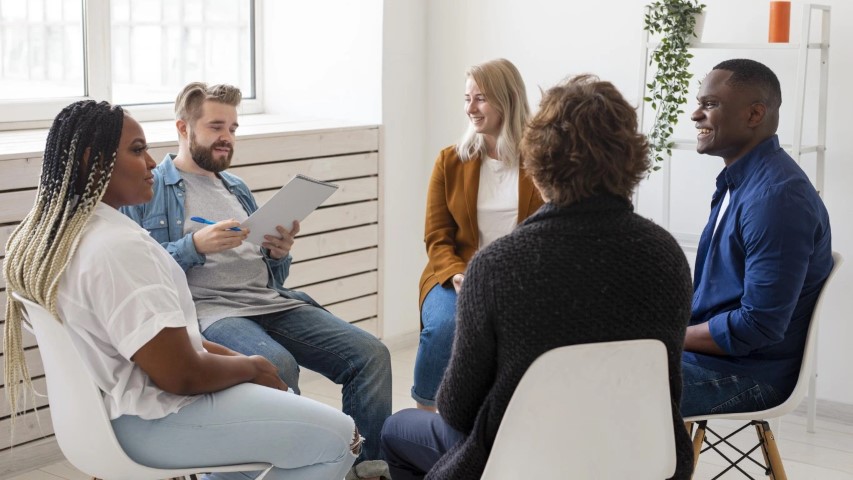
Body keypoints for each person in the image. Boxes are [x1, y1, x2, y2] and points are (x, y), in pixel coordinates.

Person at [3, 100, 360, 479]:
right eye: (138, 150)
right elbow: (180, 376)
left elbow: (176, 344)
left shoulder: (50, 235)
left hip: (102, 418)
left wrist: (241, 364)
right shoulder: (117, 247)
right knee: (342, 437)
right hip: (151, 420)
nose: (153, 162)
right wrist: (252, 365)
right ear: (93, 160)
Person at [381, 74, 695, 480]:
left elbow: (458, 410)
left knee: (395, 429)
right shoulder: (666, 255)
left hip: (522, 461)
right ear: (631, 157)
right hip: (641, 459)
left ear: (538, 158)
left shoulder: (497, 267)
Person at [121, 82, 391, 480]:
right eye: (215, 127)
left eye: (232, 128)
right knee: (277, 364)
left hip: (269, 302)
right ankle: (286, 464)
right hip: (211, 311)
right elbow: (143, 271)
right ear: (183, 128)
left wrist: (277, 253)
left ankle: (363, 470)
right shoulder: (151, 187)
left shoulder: (235, 187)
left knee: (371, 354)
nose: (226, 138)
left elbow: (269, 274)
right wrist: (195, 245)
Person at [681, 58, 833, 417]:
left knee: (599, 388)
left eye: (710, 104)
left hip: (746, 375)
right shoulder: (740, 183)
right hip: (711, 361)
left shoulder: (776, 198)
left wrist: (667, 334)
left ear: (754, 115)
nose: (695, 114)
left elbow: (757, 327)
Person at [414, 58, 543, 411]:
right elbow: (437, 236)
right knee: (444, 328)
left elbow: (550, 232)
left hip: (518, 279)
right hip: (455, 274)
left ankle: (511, 417)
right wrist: (457, 274)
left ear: (508, 99)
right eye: (467, 98)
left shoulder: (541, 162)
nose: (470, 108)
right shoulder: (450, 161)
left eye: (481, 98)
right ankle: (426, 411)